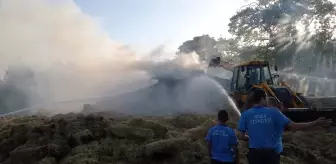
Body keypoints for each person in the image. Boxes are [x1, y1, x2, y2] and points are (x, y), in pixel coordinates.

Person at [237, 89, 332, 164]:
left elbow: (241, 136)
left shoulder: (246, 114)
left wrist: (252, 138)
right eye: (265, 98)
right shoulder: (274, 112)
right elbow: (294, 126)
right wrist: (315, 123)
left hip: (254, 155)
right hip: (271, 155)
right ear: (262, 99)